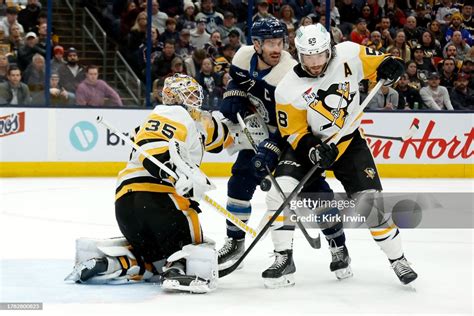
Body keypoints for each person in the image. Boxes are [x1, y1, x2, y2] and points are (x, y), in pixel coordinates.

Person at [263, 23, 418, 287]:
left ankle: (398, 259)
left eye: (320, 56)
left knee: (371, 204)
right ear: (298, 55)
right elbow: (294, 132)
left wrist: (392, 65)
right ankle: (283, 256)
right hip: (310, 148)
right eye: (308, 58)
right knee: (278, 192)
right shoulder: (287, 88)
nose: (314, 64)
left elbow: (381, 64)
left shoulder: (348, 53)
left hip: (348, 143)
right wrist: (312, 149)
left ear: (330, 50)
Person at [65, 74, 234, 293]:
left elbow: (219, 135)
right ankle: (178, 269)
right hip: (159, 200)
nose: (195, 100)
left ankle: (111, 263)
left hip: (126, 206)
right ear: (175, 98)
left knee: (154, 263)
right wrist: (177, 172)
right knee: (196, 248)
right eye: (190, 95)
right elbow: (152, 143)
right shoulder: (170, 113)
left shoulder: (193, 120)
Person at [217, 18, 332, 285]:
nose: (276, 48)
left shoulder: (289, 72)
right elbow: (237, 84)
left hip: (291, 136)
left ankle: (337, 242)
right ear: (256, 44)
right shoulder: (244, 57)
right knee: (239, 182)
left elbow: (292, 121)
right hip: (259, 130)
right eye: (270, 43)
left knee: (315, 193)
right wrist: (233, 95)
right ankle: (235, 241)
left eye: (280, 42)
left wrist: (272, 146)